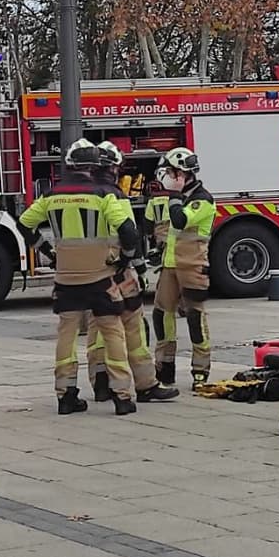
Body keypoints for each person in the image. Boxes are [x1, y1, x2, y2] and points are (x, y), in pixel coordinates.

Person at [20, 139, 144, 417]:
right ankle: (122, 396)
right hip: (101, 277)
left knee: (67, 334)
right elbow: (129, 230)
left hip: (66, 279)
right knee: (112, 331)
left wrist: (49, 252)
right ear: (94, 165)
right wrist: (124, 258)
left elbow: (24, 223)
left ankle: (66, 395)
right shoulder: (102, 195)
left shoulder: (51, 196)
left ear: (69, 164)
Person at [85, 142, 175, 404]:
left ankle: (101, 384)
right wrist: (135, 265)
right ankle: (145, 385)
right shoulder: (115, 196)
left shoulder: (85, 196)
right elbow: (129, 234)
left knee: (96, 328)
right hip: (118, 271)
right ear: (113, 167)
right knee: (133, 326)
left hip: (92, 274)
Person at [147, 147, 217, 387]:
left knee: (195, 318)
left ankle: (200, 371)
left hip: (192, 266)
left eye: (171, 172)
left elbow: (180, 220)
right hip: (170, 266)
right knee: (162, 316)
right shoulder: (171, 197)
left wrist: (175, 195)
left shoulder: (203, 200)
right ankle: (164, 369)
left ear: (183, 174)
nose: (167, 176)